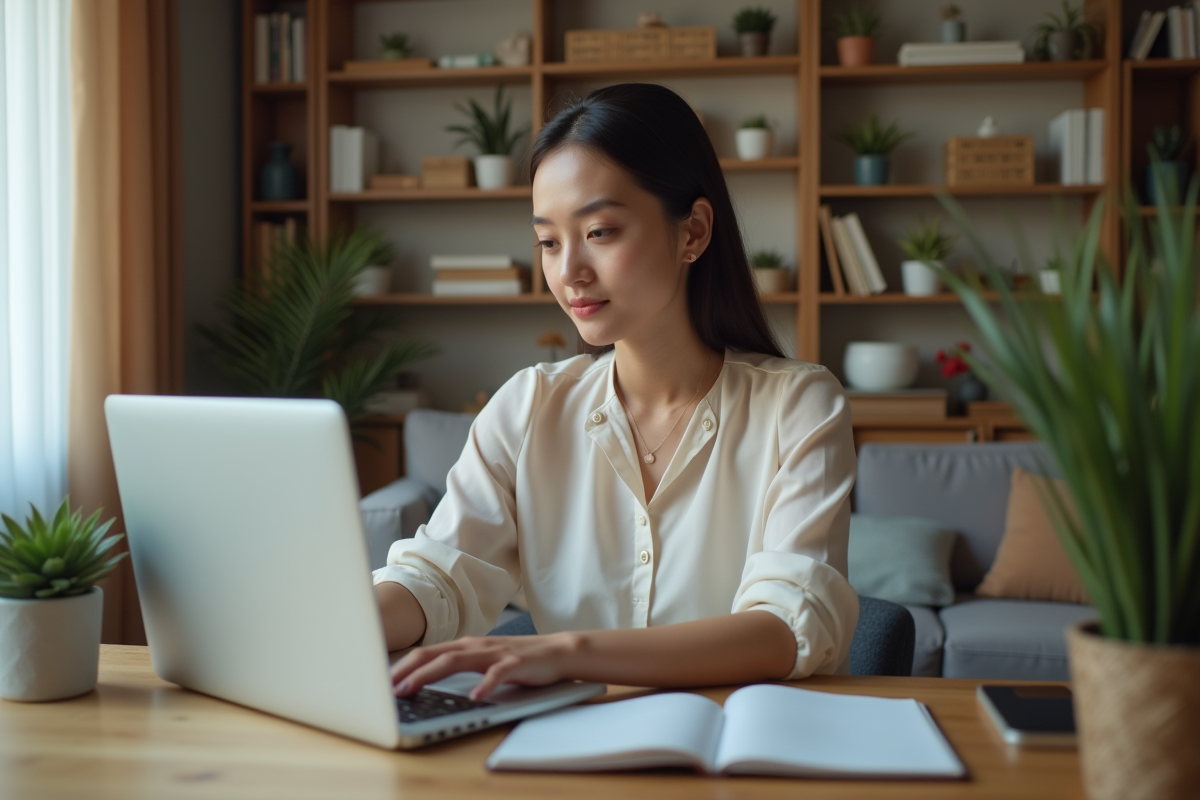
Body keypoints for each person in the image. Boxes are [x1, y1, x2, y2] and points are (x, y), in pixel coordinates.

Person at [374, 83, 859, 702]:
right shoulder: (528, 407)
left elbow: (787, 629)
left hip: (740, 753)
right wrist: (330, 620)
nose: (568, 270)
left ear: (694, 232)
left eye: (599, 232)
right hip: (573, 754)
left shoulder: (797, 406)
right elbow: (437, 577)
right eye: (549, 241)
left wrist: (565, 651)